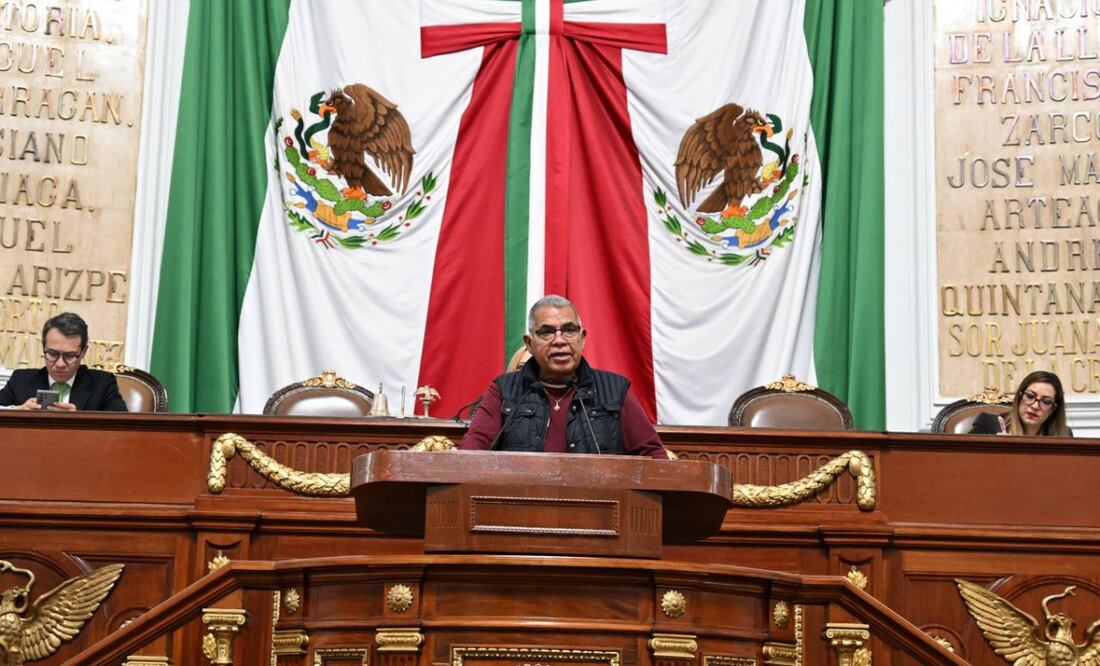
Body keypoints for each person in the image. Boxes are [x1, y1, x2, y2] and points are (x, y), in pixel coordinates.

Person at [461, 295, 668, 458]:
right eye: (547, 332)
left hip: (599, 508)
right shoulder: (504, 390)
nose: (559, 341)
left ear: (582, 338)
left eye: (569, 330)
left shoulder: (615, 390)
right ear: (529, 343)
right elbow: (471, 454)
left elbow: (653, 456)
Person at [0, 312, 128, 412]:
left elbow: (121, 423)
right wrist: (16, 411)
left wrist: (79, 420)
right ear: (43, 347)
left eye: (70, 356)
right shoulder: (21, 380)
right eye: (52, 354)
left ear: (83, 352)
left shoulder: (103, 384)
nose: (60, 364)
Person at [969, 371, 1070, 437]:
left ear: (1053, 409)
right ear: (1019, 397)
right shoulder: (988, 425)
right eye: (1030, 396)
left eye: (1046, 402)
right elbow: (963, 463)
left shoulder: (1063, 434)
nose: (1035, 406)